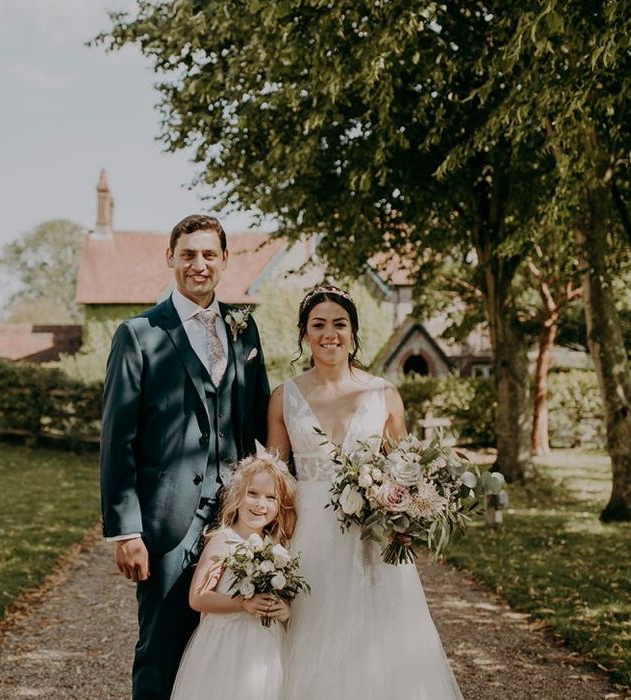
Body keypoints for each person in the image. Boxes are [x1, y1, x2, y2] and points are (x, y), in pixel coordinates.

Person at [100, 214, 270, 700]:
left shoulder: (244, 327)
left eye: (209, 254)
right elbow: (118, 439)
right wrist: (126, 530)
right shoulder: (139, 334)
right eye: (189, 254)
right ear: (170, 258)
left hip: (237, 519)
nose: (199, 264)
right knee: (163, 644)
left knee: (226, 645)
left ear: (224, 260)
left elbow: (260, 415)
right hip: (168, 521)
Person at [267, 284, 464, 699]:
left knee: (378, 637)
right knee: (311, 634)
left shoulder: (383, 395)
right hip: (309, 539)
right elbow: (274, 479)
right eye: (317, 325)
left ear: (353, 333)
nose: (329, 333)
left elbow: (408, 470)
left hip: (371, 539)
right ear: (304, 334)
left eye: (339, 324)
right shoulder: (284, 397)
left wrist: (406, 512)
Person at [170, 451, 297, 700]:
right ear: (237, 495)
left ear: (279, 505)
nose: (260, 504)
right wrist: (243, 603)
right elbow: (198, 598)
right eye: (253, 493)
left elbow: (281, 595)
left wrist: (283, 609)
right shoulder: (223, 541)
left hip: (265, 648)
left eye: (271, 498)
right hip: (227, 646)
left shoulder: (278, 549)